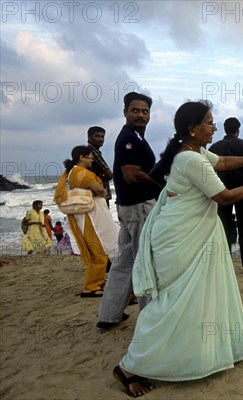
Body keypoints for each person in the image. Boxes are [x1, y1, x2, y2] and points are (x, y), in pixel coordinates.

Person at [112, 100, 243, 397]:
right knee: (170, 302)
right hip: (179, 237)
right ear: (192, 129)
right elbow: (223, 197)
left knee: (191, 299)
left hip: (182, 232)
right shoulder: (192, 161)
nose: (213, 127)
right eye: (209, 122)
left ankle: (190, 354)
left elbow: (222, 162)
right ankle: (129, 366)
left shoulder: (193, 152)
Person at [97, 92, 162, 329]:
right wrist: (163, 186)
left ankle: (109, 315)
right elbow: (131, 175)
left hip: (128, 208)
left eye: (145, 111)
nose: (141, 115)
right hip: (138, 208)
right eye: (135, 110)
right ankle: (149, 319)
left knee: (124, 263)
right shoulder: (130, 139)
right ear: (125, 112)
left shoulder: (134, 137)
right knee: (145, 262)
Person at [54, 145, 120, 297]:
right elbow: (98, 189)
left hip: (84, 215)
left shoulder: (70, 172)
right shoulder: (82, 172)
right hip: (90, 216)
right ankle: (91, 286)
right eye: (90, 156)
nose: (92, 159)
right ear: (82, 157)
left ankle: (96, 283)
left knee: (96, 251)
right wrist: (103, 191)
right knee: (98, 251)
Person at [208, 117, 243, 273]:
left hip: (221, 190)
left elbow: (207, 167)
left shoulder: (215, 147)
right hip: (242, 189)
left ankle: (223, 265)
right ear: (238, 129)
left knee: (222, 226)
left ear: (224, 129)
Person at [87, 126, 114, 207]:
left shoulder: (93, 151)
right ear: (89, 137)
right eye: (97, 136)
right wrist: (105, 175)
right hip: (99, 195)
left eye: (102, 137)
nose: (101, 139)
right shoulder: (92, 151)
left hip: (97, 194)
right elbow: (109, 175)